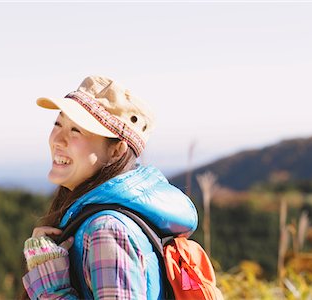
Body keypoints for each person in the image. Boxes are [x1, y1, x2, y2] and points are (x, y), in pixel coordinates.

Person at [21, 75, 198, 299]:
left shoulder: (106, 230)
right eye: (58, 123)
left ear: (116, 150)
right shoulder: (104, 220)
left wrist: (49, 285)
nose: (58, 139)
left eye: (76, 130)